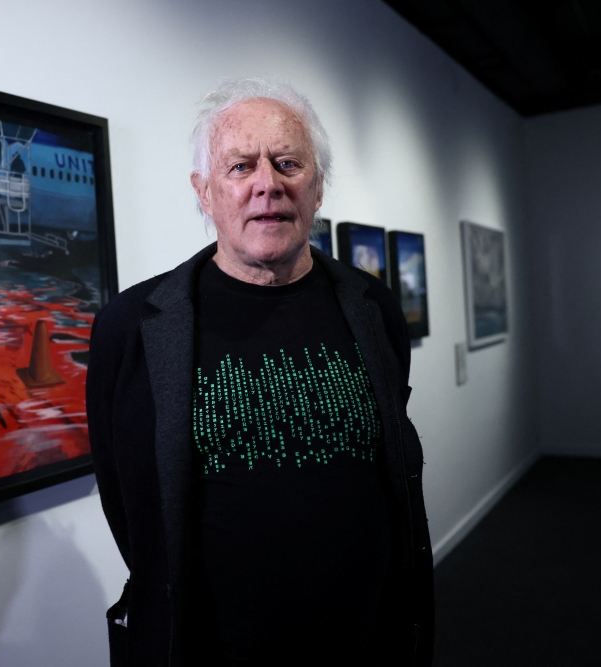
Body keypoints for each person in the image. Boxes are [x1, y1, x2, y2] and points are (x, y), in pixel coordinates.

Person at [86, 78, 433, 667]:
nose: (267, 184)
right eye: (240, 166)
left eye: (288, 163)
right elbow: (128, 499)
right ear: (205, 192)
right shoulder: (133, 326)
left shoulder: (371, 306)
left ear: (317, 187)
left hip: (366, 642)